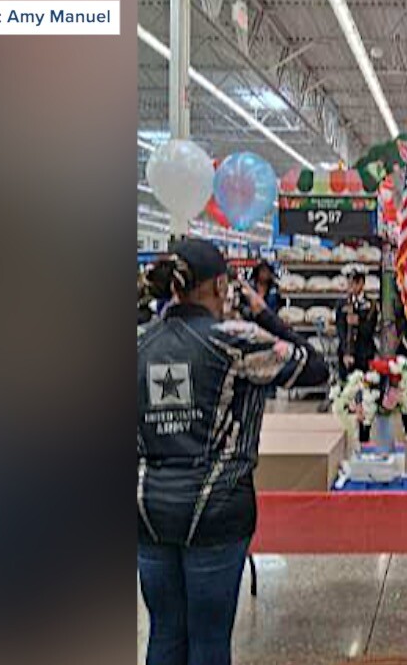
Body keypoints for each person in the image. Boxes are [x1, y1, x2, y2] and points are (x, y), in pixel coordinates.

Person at [137, 238, 329, 665]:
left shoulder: (140, 342)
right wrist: (263, 314)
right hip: (216, 508)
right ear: (221, 284)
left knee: (165, 634)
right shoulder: (236, 339)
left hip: (148, 509)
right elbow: (314, 366)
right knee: (208, 640)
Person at [335, 264, 378, 406]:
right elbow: (340, 329)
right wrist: (346, 352)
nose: (351, 286)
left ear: (362, 283)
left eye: (355, 282)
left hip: (364, 354)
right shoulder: (342, 304)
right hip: (346, 354)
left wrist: (359, 322)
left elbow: (369, 330)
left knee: (364, 393)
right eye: (349, 282)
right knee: (347, 392)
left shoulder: (370, 305)